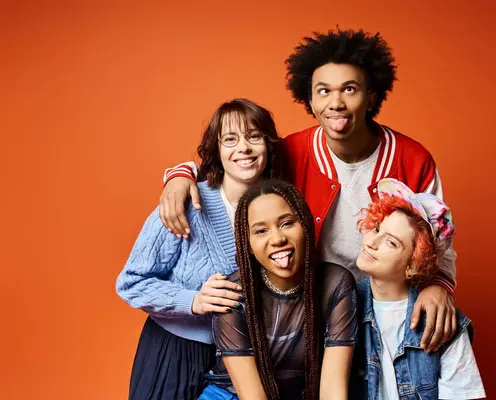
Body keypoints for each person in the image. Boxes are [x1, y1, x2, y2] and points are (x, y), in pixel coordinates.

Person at [159, 28, 456, 352]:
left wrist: (438, 285)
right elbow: (234, 166)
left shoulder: (413, 159)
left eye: (350, 89)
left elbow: (438, 239)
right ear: (309, 100)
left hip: (388, 304)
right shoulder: (292, 151)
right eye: (323, 91)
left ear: (371, 96)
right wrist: (180, 174)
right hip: (310, 308)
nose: (336, 103)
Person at [115, 98, 280, 400]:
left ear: (268, 145)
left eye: (253, 136)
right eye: (230, 139)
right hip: (174, 351)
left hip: (243, 361)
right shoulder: (185, 205)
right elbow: (131, 283)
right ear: (217, 150)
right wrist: (193, 301)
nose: (243, 148)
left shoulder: (278, 209)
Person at [200, 180, 357, 400]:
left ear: (305, 225)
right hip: (230, 394)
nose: (277, 239)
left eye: (286, 223)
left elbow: (333, 390)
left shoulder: (335, 283)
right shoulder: (233, 293)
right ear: (249, 245)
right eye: (261, 231)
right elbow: (252, 396)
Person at [352, 178, 485, 400]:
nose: (372, 242)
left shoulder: (444, 325)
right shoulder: (342, 307)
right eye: (376, 228)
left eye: (391, 242)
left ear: (414, 264)